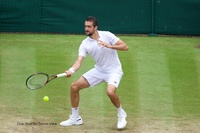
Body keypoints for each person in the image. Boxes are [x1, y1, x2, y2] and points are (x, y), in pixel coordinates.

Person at [60, 16, 128, 129]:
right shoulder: (84, 43)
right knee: (74, 87)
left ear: (95, 27)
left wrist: (109, 45)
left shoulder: (107, 35)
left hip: (114, 70)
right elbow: (79, 61)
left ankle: (121, 113)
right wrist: (71, 70)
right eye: (85, 26)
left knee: (110, 92)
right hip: (99, 70)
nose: (86, 29)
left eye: (89, 26)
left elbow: (125, 47)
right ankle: (75, 118)